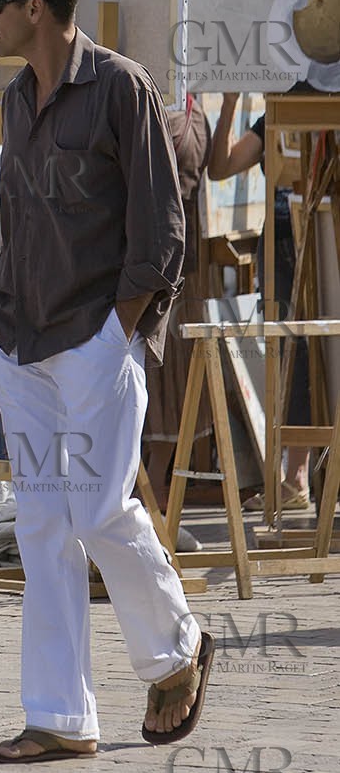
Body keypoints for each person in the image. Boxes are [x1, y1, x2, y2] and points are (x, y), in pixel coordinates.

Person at [0, 0, 213, 764]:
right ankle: (59, 717)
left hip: (96, 337)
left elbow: (161, 230)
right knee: (41, 524)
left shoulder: (120, 88)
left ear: (34, 9)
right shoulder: (12, 99)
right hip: (22, 338)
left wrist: (119, 330)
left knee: (99, 507)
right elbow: (14, 223)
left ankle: (174, 650)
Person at [208, 93, 311, 510]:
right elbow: (221, 167)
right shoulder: (276, 112)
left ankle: (303, 475)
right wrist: (231, 102)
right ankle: (297, 475)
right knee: (290, 351)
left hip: (321, 234)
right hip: (281, 239)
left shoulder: (321, 105)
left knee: (317, 348)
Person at [143, 97, 214, 506]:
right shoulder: (163, 107)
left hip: (173, 267)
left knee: (166, 392)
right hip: (156, 265)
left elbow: (216, 167)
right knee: (155, 392)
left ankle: (155, 510)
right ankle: (152, 510)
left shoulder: (195, 112)